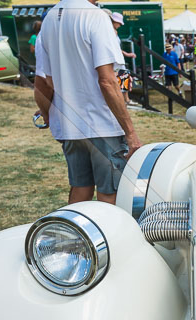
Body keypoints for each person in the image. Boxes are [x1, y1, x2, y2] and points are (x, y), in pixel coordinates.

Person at [33, 0, 141, 205]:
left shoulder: (49, 19)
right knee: (109, 193)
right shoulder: (96, 17)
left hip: (69, 125)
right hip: (102, 124)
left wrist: (49, 116)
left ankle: (75, 236)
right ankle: (109, 237)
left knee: (80, 188)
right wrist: (131, 133)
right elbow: (107, 81)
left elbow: (45, 82)